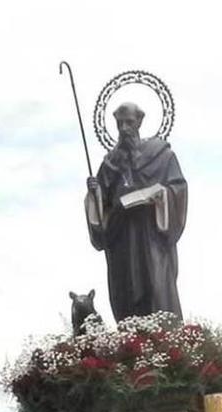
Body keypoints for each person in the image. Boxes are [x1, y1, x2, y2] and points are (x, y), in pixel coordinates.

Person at [84, 102, 188, 321]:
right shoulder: (110, 164)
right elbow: (100, 208)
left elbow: (178, 189)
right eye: (119, 123)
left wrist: (160, 195)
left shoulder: (162, 156)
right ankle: (132, 345)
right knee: (126, 292)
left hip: (151, 237)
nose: (123, 128)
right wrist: (95, 195)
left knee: (155, 287)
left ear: (140, 121)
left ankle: (160, 342)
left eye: (129, 122)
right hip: (122, 239)